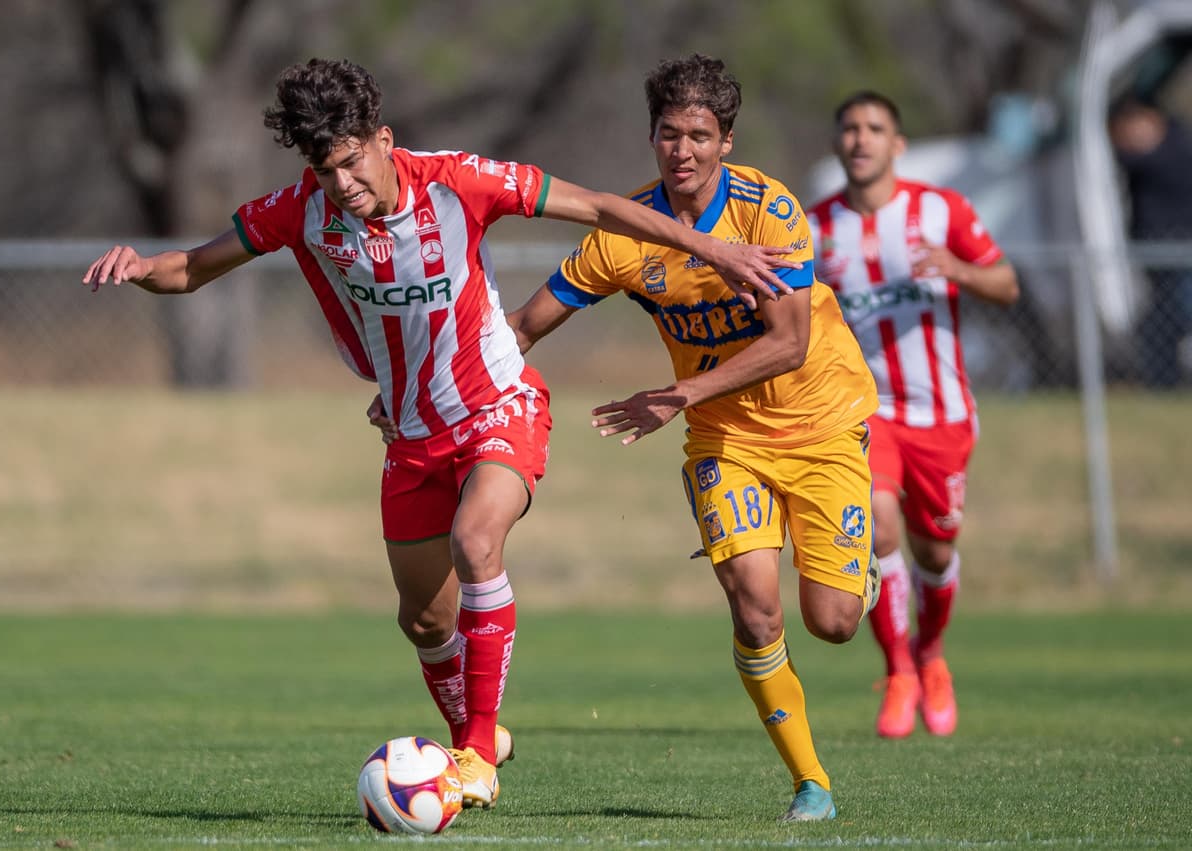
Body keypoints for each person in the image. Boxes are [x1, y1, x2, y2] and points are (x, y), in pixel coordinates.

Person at [81, 58, 796, 811]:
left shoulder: (460, 180)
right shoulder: (301, 209)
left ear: (383, 140)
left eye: (353, 163)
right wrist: (139, 266)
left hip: (500, 401)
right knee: (424, 620)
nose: (344, 185)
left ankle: (477, 750)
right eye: (327, 171)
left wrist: (714, 248)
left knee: (476, 541)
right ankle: (472, 741)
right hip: (411, 429)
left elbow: (595, 208)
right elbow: (192, 268)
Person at [500, 54, 880, 822]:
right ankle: (812, 782)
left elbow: (791, 341)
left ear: (726, 141)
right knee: (755, 610)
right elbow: (522, 329)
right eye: (669, 134)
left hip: (822, 421)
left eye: (699, 135)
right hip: (725, 439)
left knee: (833, 622)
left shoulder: (769, 212)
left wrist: (678, 393)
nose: (683, 150)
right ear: (652, 138)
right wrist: (430, 385)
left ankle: (861, 566)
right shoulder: (623, 236)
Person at [806, 91, 1019, 739]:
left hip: (944, 411)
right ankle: (898, 669)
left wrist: (959, 269)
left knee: (936, 547)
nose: (861, 139)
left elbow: (1007, 284)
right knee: (879, 523)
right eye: (849, 128)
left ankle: (932, 656)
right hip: (868, 410)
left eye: (875, 128)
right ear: (838, 142)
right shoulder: (815, 227)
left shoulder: (940, 209)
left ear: (898, 144)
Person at [1107, 96, 1192, 388]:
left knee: (1175, 316)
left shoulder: (1175, 151)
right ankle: (1164, 384)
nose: (1129, 139)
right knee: (1160, 324)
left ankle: (1165, 382)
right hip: (1162, 257)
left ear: (1154, 121)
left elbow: (1127, 159)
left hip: (1180, 255)